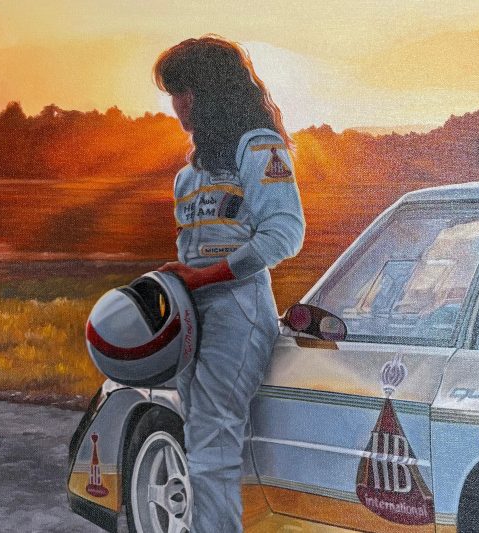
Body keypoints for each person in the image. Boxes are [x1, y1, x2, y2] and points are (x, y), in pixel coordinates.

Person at [153, 35, 304, 532]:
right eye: (174, 94)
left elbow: (284, 233)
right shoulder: (188, 175)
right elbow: (193, 254)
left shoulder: (259, 148)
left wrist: (204, 277)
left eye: (184, 92)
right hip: (193, 316)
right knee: (200, 442)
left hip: (238, 310)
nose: (177, 105)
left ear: (210, 92)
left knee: (212, 446)